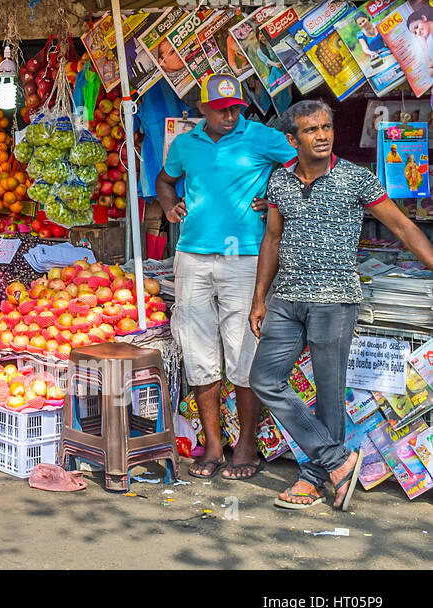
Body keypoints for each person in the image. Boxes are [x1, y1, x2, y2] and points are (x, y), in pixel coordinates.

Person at [250, 101, 433, 512]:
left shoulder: (355, 179)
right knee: (264, 378)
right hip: (287, 300)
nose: (322, 135)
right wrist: (260, 298)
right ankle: (336, 461)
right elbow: (272, 240)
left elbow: (403, 226)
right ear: (291, 139)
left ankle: (315, 478)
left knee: (329, 396)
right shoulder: (279, 183)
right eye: (311, 130)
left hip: (335, 302)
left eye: (326, 127)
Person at [155, 72, 296, 481]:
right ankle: (214, 445)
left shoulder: (262, 137)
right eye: (221, 110)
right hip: (192, 258)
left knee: (243, 351)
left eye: (236, 108)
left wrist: (274, 197)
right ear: (202, 110)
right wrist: (168, 207)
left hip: (246, 259)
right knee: (199, 353)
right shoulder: (185, 144)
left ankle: (247, 444)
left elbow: (301, 167)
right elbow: (166, 180)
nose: (230, 116)